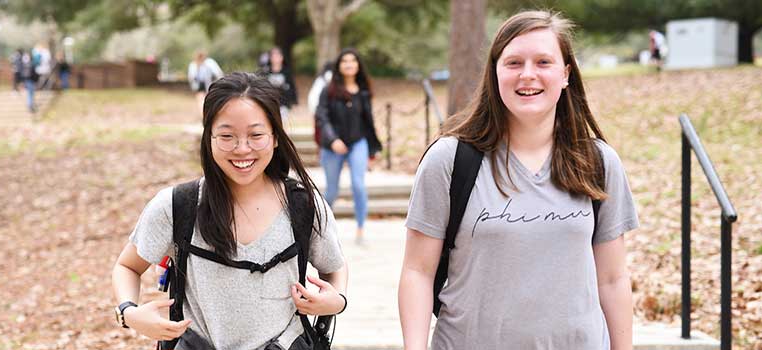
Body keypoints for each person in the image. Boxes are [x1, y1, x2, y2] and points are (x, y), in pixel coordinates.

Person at [398, 10, 638, 350]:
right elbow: (417, 273)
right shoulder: (450, 160)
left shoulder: (597, 162)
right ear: (494, 73)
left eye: (543, 62)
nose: (528, 75)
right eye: (513, 63)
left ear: (566, 74)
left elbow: (613, 280)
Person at [112, 72, 348, 350]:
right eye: (227, 136)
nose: (242, 149)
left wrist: (337, 301)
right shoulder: (176, 206)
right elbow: (127, 266)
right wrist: (129, 313)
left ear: (275, 137)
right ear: (209, 137)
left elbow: (335, 268)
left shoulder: (304, 206)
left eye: (256, 135)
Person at [315, 49, 382, 244]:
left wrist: (372, 147)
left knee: (358, 185)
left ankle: (361, 228)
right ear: (339, 66)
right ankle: (322, 230)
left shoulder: (363, 91)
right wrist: (332, 140)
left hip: (358, 143)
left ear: (358, 65)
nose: (349, 64)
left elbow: (367, 121)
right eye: (345, 61)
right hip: (332, 146)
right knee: (332, 191)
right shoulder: (328, 90)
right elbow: (322, 117)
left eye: (353, 61)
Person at [261, 47, 298, 121]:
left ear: (282, 57)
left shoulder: (287, 72)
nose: (276, 58)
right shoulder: (265, 73)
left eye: (278, 55)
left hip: (284, 104)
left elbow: (292, 87)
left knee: (282, 123)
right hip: (269, 104)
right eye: (274, 56)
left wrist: (294, 101)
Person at [187, 50, 224, 117]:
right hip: (206, 84)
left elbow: (191, 77)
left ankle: (205, 115)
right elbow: (218, 73)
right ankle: (206, 115)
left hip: (203, 84)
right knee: (206, 100)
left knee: (202, 101)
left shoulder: (195, 64)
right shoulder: (209, 62)